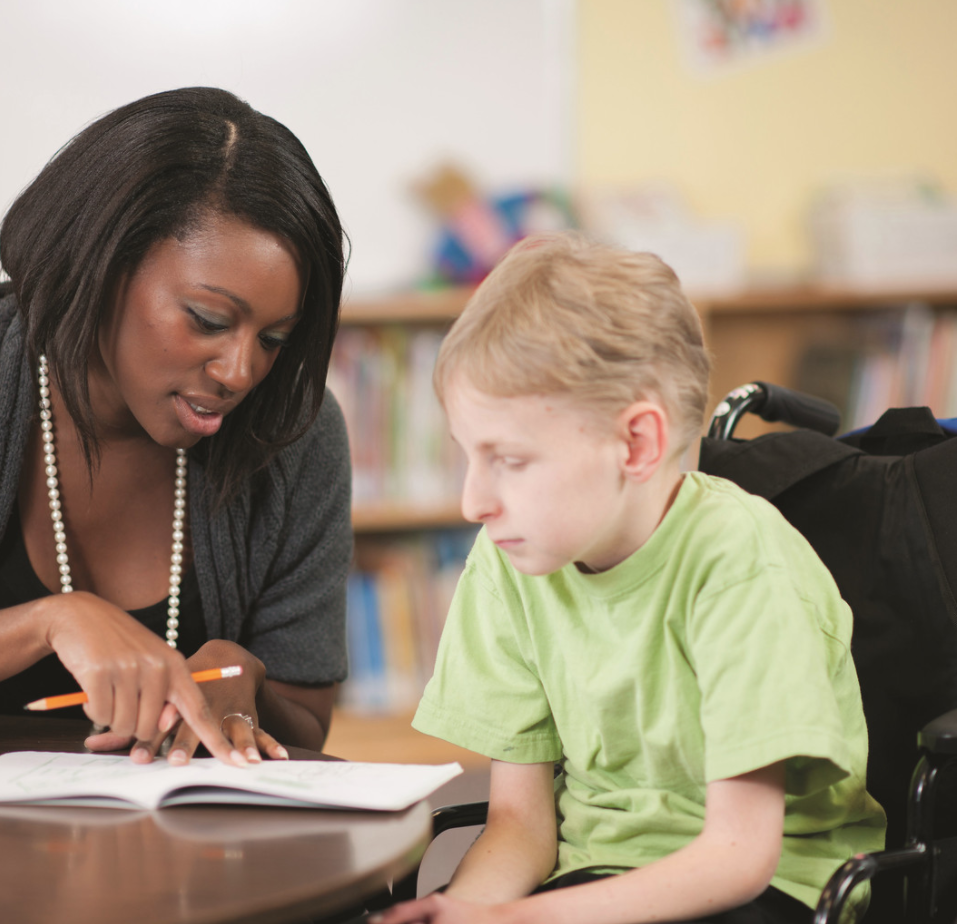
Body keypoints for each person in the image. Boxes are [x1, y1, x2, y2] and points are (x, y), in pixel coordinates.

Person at [0, 87, 352, 768]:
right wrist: (48, 623)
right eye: (207, 319)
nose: (240, 371)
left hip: (192, 857)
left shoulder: (296, 432)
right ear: (104, 263)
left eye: (275, 339)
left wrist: (243, 679)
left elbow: (307, 722)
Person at [375, 234, 885, 924]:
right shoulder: (506, 561)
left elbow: (739, 855)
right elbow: (520, 828)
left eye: (511, 460)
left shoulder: (739, 563)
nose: (474, 502)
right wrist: (459, 914)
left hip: (770, 891)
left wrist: (511, 922)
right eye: (469, 457)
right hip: (594, 883)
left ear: (636, 444)